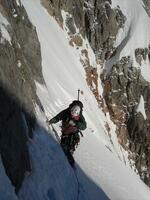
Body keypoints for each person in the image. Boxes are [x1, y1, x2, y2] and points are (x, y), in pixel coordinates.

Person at [48, 100, 87, 165]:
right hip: (65, 131)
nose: (72, 116)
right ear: (70, 110)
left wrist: (76, 123)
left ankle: (70, 150)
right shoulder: (66, 112)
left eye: (74, 116)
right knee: (64, 144)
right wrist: (50, 122)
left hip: (74, 132)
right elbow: (58, 117)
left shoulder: (80, 115)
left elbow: (84, 126)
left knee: (73, 139)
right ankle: (67, 150)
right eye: (72, 114)